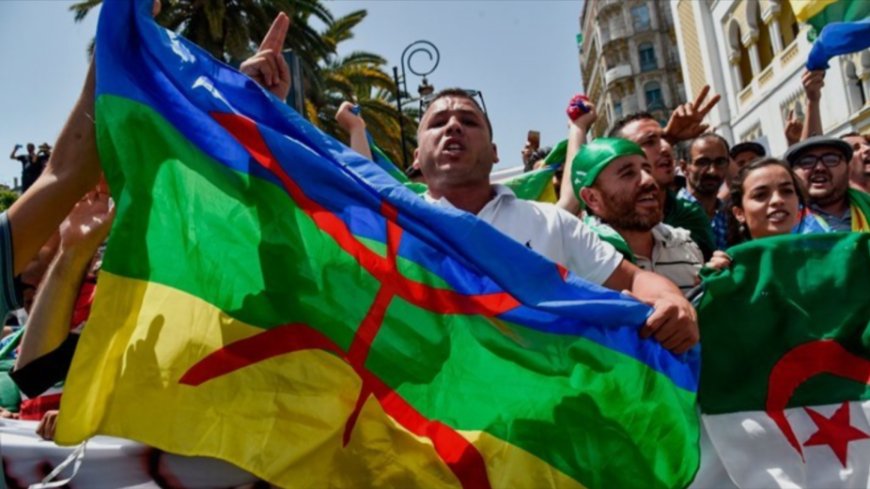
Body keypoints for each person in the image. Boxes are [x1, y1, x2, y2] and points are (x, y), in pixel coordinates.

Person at [414, 88, 699, 354]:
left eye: (469, 121)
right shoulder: (392, 227)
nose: (453, 127)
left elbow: (634, 278)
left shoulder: (552, 224)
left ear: (494, 151)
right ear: (416, 158)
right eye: (438, 122)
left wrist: (672, 301)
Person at [571, 138, 703, 296]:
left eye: (647, 170)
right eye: (627, 174)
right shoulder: (580, 262)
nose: (649, 180)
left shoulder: (683, 242)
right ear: (592, 198)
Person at [605, 107, 719, 260]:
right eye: (649, 142)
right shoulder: (607, 223)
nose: (666, 147)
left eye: (666, 139)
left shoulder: (689, 213)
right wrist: (578, 127)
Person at [706, 158, 808, 270]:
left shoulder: (823, 260)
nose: (777, 200)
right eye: (760, 195)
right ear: (739, 213)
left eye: (787, 191)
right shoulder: (729, 270)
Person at [784, 135, 870, 232]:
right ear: (792, 174)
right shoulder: (783, 222)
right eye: (807, 162)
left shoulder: (867, 205)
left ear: (848, 168)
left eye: (831, 160)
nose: (819, 168)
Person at [679, 133, 731, 250]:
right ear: (684, 167)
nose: (712, 171)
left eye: (720, 162)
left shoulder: (731, 217)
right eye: (702, 162)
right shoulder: (669, 213)